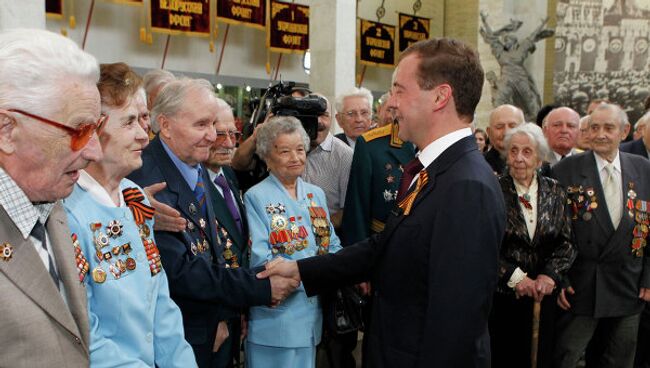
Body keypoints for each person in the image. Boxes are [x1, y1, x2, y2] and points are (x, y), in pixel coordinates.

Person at [259, 38, 506, 367]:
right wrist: (300, 270)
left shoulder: (466, 187)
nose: (391, 104)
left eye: (399, 90)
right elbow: (385, 246)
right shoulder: (433, 169)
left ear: (440, 96)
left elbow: (455, 324)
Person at [127, 78, 298, 367]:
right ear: (165, 125)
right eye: (201, 125)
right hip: (176, 336)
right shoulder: (146, 180)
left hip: (211, 324)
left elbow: (214, 250)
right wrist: (259, 286)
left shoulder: (196, 164)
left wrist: (222, 314)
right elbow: (179, 272)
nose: (211, 136)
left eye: (213, 126)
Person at [63, 62, 196, 367]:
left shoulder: (134, 200)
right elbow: (84, 332)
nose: (144, 136)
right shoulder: (66, 211)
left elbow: (160, 303)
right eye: (128, 123)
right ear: (91, 133)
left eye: (141, 120)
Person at [0, 28, 103, 367]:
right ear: (7, 131)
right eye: (79, 131)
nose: (96, 152)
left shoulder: (50, 203)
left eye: (96, 127)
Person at [552, 103, 650, 368]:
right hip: (582, 284)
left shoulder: (643, 168)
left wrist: (648, 277)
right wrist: (558, 277)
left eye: (609, 128)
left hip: (628, 282)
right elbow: (554, 232)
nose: (600, 134)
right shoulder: (566, 170)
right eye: (594, 127)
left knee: (621, 358)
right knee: (568, 356)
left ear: (625, 131)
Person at [244, 116, 342, 368]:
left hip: (311, 317)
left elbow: (331, 245)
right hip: (275, 321)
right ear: (267, 156)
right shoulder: (256, 196)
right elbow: (260, 258)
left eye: (300, 150)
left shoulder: (315, 194)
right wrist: (313, 273)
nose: (295, 157)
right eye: (285, 151)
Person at [490, 123, 576, 368]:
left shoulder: (556, 190)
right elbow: (484, 247)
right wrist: (516, 278)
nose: (518, 158)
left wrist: (550, 276)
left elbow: (567, 242)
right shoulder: (494, 190)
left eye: (527, 152)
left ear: (539, 158)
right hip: (504, 297)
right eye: (513, 151)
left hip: (543, 297)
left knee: (541, 358)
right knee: (505, 357)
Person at [203, 97, 249, 367]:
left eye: (233, 134)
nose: (229, 143)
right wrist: (218, 316)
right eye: (220, 134)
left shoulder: (228, 176)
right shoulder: (194, 185)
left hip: (234, 304)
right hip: (212, 314)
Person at [302, 93, 353, 230]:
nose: (318, 121)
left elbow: (346, 211)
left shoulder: (345, 156)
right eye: (312, 114)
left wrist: (313, 231)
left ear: (332, 119)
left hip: (328, 242)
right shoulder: (287, 149)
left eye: (324, 115)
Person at [485, 104, 525, 175]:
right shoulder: (479, 165)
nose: (506, 132)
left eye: (512, 126)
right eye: (499, 127)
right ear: (489, 132)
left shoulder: (538, 166)